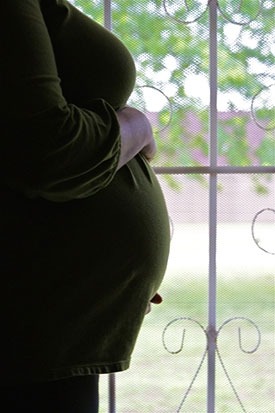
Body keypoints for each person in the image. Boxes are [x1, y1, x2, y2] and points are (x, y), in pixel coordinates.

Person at [0, 0, 170, 412]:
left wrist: (112, 284)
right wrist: (136, 126)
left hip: (54, 323)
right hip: (32, 333)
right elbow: (47, 148)